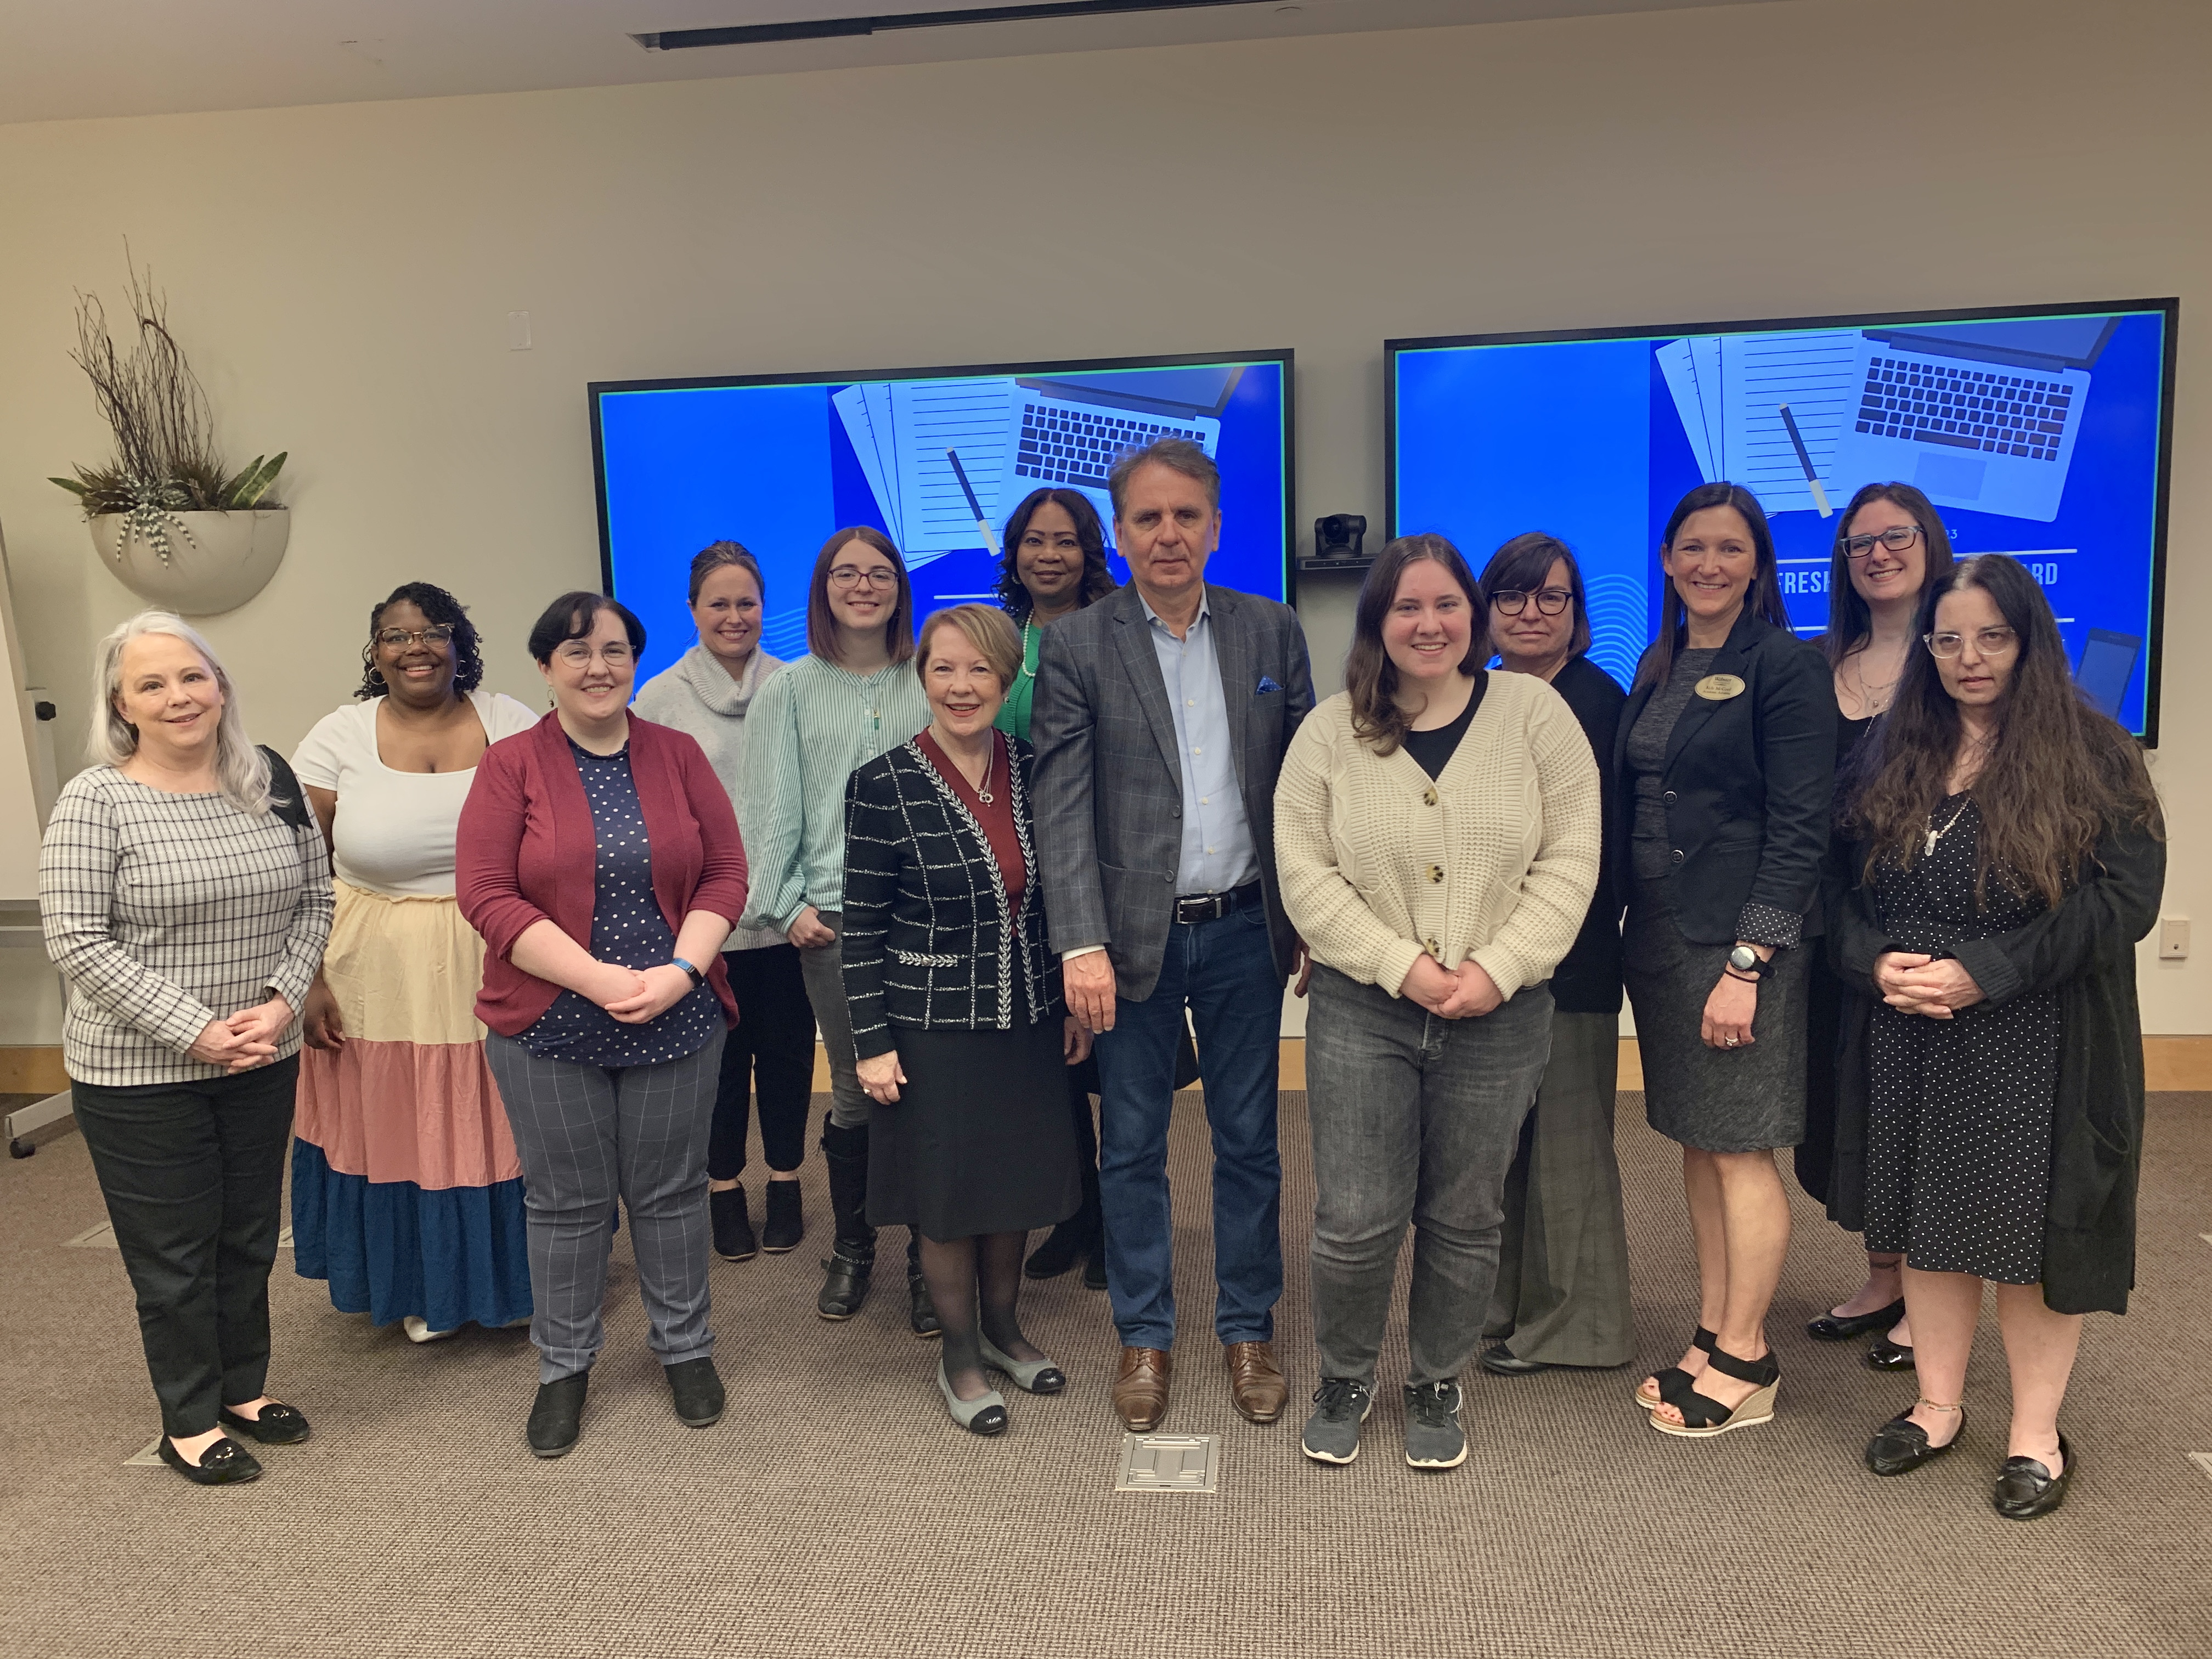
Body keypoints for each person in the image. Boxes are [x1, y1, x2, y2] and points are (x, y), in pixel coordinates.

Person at [1831, 555, 2162, 1519]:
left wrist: (1990, 971)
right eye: (1947, 639)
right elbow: (1840, 892)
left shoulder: (2096, 756)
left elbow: (2124, 904)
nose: (1968, 658)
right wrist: (1873, 961)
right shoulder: (1894, 749)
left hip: (2038, 1035)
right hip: (1911, 1030)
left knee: (2028, 1243)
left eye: (1992, 637)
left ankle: (2034, 1433)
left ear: (2029, 640)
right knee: (1930, 1226)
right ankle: (1937, 1405)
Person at [1277, 535, 1599, 1470]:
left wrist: (1496, 968)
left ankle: (1435, 1378)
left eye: (1447, 606)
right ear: (1378, 622)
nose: (1429, 624)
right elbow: (1306, 875)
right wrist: (1401, 967)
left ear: (1475, 617)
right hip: (1363, 1008)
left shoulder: (1536, 714)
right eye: (1407, 608)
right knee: (1356, 1215)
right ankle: (1347, 1372)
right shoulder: (1331, 731)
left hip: (1502, 1012)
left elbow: (1573, 859)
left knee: (1465, 1215)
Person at [1031, 436, 1314, 1433]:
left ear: (1216, 526)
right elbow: (1061, 806)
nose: (1167, 535)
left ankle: (1248, 1328)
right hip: (1129, 941)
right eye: (1147, 519)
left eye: (1185, 516)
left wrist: (1311, 917)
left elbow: (1306, 789)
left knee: (1250, 1142)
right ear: (1121, 533)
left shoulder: (1272, 633)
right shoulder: (1075, 646)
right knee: (1134, 1147)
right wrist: (1078, 944)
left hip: (1247, 932)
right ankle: (1144, 1336)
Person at [40, 612, 334, 1486]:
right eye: (153, 684)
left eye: (192, 677)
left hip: (259, 1056)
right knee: (173, 1253)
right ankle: (187, 1419)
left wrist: (280, 1006)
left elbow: (316, 900)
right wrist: (194, 1029)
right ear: (122, 705)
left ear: (221, 686)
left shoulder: (268, 779)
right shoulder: (99, 800)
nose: (179, 697)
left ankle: (243, 1390)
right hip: (139, 1073)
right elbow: (78, 940)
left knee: (246, 1236)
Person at [456, 591, 746, 1458]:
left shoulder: (679, 754)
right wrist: (597, 980)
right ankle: (565, 1365)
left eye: (616, 650)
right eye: (577, 652)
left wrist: (679, 973)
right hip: (549, 1017)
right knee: (567, 1203)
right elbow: (486, 895)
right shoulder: (510, 765)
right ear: (545, 668)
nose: (599, 667)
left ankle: (686, 1349)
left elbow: (726, 874)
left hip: (675, 1012)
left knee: (668, 1193)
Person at [1619, 482, 1836, 1439]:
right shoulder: (1659, 663)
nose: (1710, 564)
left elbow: (1800, 828)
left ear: (1758, 567)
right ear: (1667, 562)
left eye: (1731, 549)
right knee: (1701, 1142)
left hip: (1741, 947)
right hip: (1665, 940)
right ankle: (1712, 1331)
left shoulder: (1785, 666)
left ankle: (1749, 1356)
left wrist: (1750, 961)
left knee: (1743, 1148)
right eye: (1693, 547)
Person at [843, 605, 1088, 1436]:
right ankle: (959, 1353)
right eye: (944, 670)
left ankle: (1007, 1329)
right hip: (929, 1029)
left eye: (980, 670)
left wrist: (1064, 1000)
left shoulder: (1032, 767)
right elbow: (862, 928)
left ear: (1009, 675)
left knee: (1010, 1189)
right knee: (948, 1200)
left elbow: (1060, 901)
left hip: (1024, 1021)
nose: (961, 687)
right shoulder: (882, 782)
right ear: (922, 678)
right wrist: (869, 1044)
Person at [290, 583, 539, 1345]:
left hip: (497, 955)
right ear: (376, 654)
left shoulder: (510, 721)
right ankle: (414, 1283)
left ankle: (516, 1283)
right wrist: (308, 977)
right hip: (374, 971)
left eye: (433, 632)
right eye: (396, 636)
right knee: (402, 1124)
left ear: (462, 644)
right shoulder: (338, 734)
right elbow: (298, 865)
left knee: (499, 1119)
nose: (416, 647)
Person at [738, 527, 936, 1330]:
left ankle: (932, 1258)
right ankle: (854, 1248)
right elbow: (767, 807)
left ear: (898, 587)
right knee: (857, 1089)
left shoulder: (933, 678)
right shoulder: (786, 691)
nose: (863, 585)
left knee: (932, 1091)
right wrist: (786, 907)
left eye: (879, 573)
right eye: (846, 573)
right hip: (837, 921)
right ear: (822, 588)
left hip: (931, 918)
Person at [1472, 533, 1637, 1379]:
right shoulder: (1486, 698)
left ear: (1577, 616)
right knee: (1505, 1153)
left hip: (1567, 966)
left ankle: (1580, 1327)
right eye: (1513, 597)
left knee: (1567, 1152)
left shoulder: (1596, 701)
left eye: (1551, 599)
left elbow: (1596, 855)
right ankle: (1508, 1309)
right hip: (1489, 969)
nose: (1531, 613)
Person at [1801, 484, 1955, 1370]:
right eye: (1860, 543)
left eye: (1897, 536)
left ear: (1929, 543)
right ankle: (1884, 1275)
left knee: (1929, 1113)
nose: (1879, 554)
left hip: (1932, 926)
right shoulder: (1821, 663)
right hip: (1840, 926)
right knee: (1850, 1105)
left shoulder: (1957, 660)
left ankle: (1930, 1292)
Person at [634, 543, 814, 1263]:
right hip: (703, 925)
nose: (735, 616)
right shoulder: (659, 698)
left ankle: (788, 1183)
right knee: (714, 1067)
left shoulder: (797, 684)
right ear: (692, 611)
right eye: (719, 603)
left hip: (788, 916)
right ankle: (723, 1190)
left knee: (788, 1058)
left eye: (748, 603)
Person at [990, 487, 1125, 1291]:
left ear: (1089, 552)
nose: (1049, 555)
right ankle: (1074, 1211)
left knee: (1113, 1053)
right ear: (1014, 553)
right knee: (1053, 1061)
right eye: (1035, 541)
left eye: (1065, 541)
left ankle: (1118, 1217)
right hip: (1018, 880)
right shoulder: (995, 641)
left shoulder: (1114, 635)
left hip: (1097, 868)